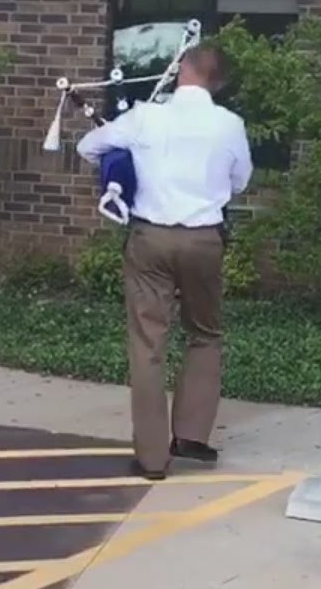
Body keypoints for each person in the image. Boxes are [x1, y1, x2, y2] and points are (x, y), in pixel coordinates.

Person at [76, 42, 253, 480]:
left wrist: (125, 163)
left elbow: (87, 147)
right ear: (218, 83)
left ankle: (153, 458)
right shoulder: (230, 125)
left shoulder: (145, 116)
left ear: (180, 72)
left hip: (149, 238)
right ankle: (192, 437)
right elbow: (240, 181)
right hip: (203, 240)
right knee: (205, 334)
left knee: (148, 343)